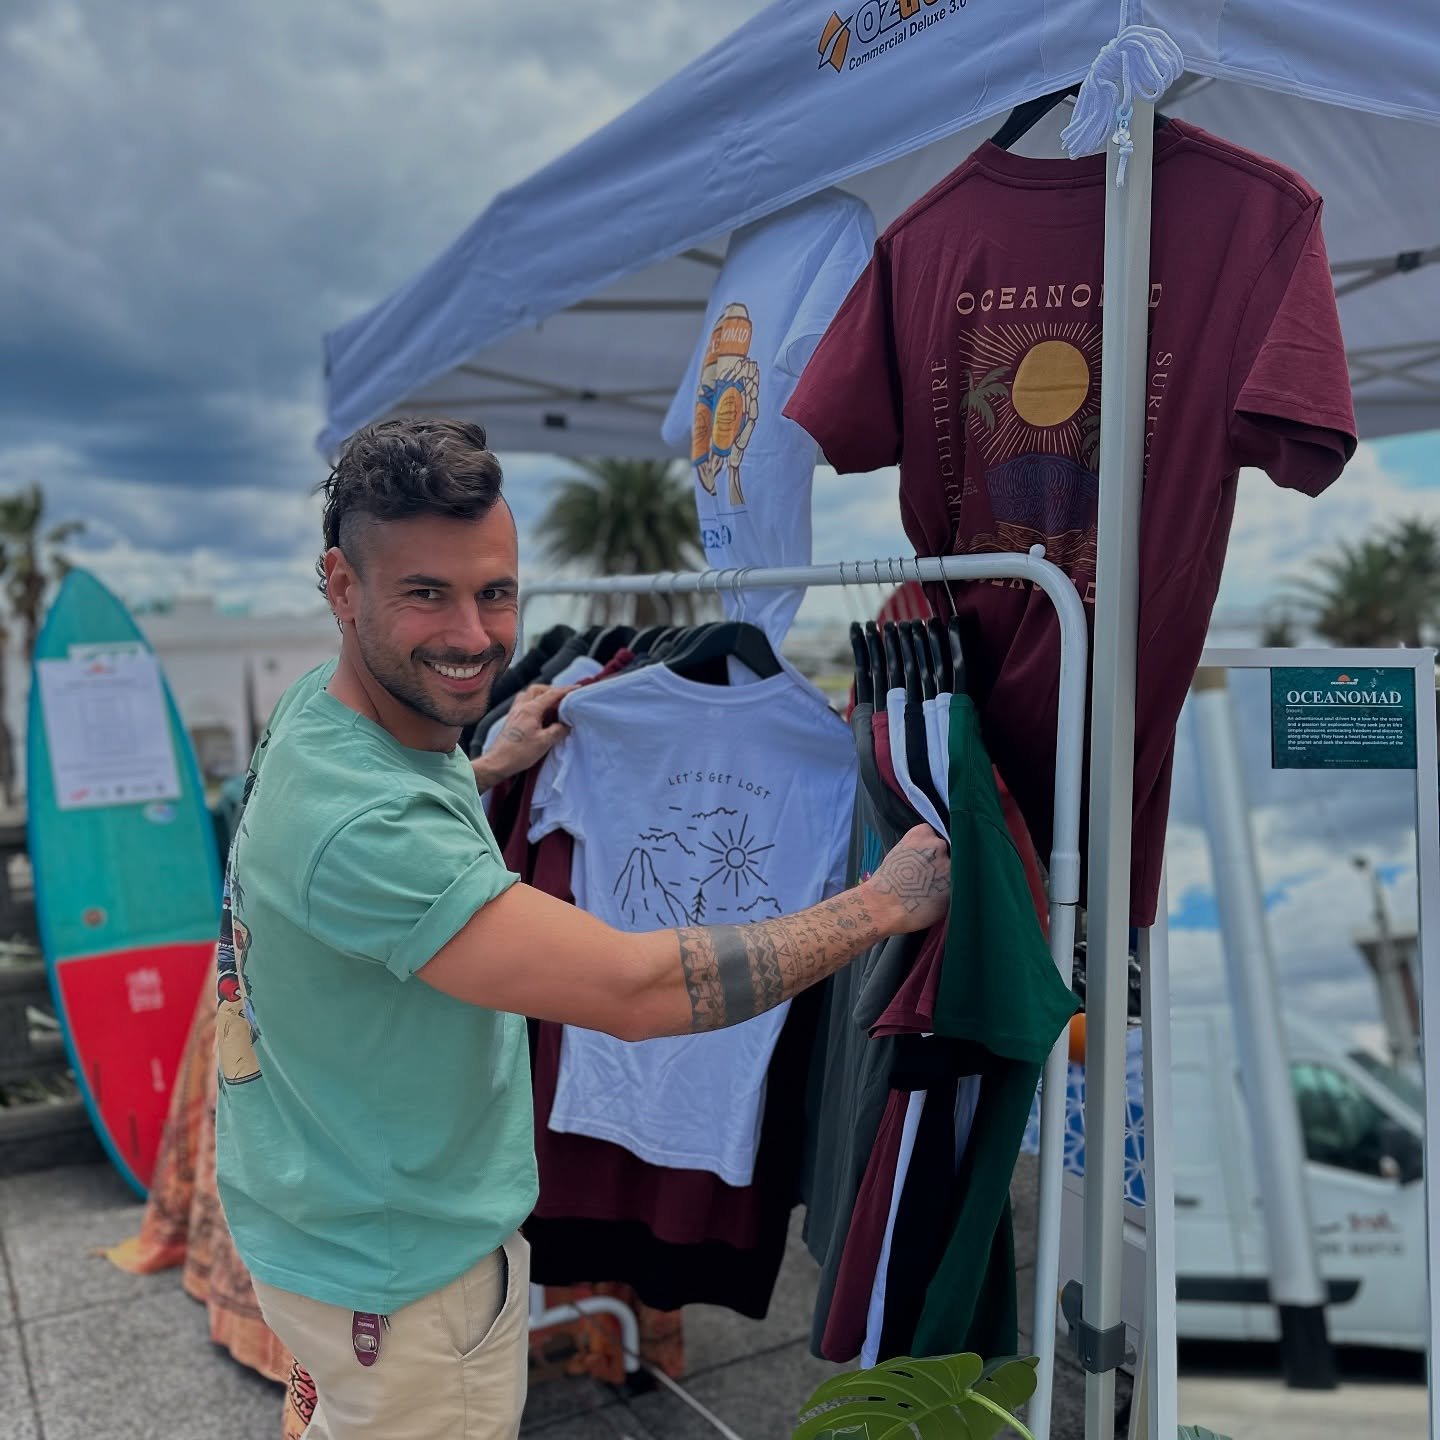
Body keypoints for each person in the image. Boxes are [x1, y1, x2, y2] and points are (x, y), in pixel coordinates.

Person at [214, 417, 950, 1440]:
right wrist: (881, 905)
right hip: (403, 1278)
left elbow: (376, 866)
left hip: (316, 1215)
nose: (474, 636)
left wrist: (489, 768)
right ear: (340, 585)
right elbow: (635, 993)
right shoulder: (368, 821)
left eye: (496, 591)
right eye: (425, 592)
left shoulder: (324, 717)